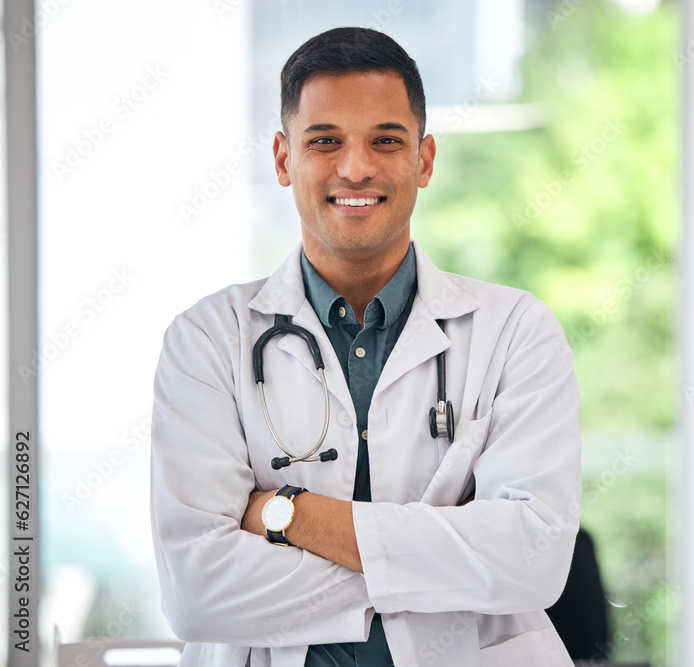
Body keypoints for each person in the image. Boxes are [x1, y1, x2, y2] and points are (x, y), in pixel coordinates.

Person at [149, 26, 582, 666]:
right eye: (325, 141)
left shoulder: (517, 330)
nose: (356, 167)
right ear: (282, 158)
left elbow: (532, 560)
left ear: (424, 160)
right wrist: (445, 566)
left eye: (386, 140)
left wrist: (286, 517)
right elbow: (197, 589)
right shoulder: (207, 340)